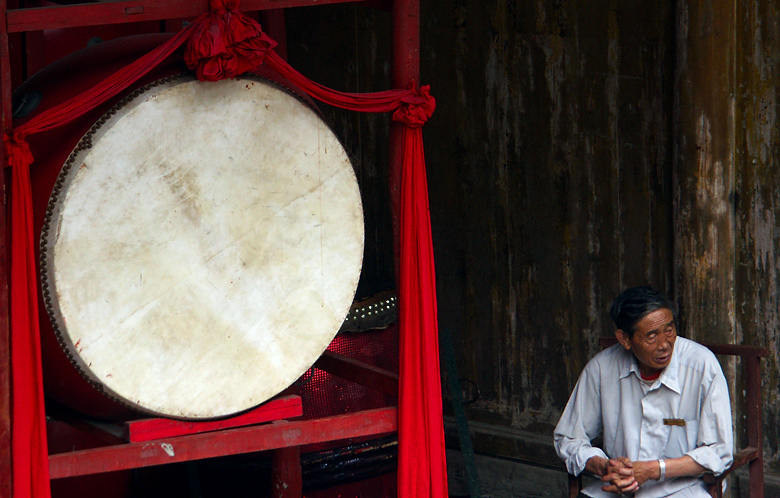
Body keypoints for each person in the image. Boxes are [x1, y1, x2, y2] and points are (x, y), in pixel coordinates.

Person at [554, 286, 733, 497]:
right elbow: (568, 438)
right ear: (624, 339)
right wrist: (605, 467)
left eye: (669, 330)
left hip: (682, 489)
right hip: (619, 490)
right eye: (651, 336)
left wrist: (652, 470)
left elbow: (718, 452)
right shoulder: (602, 368)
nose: (664, 344)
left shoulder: (701, 365)